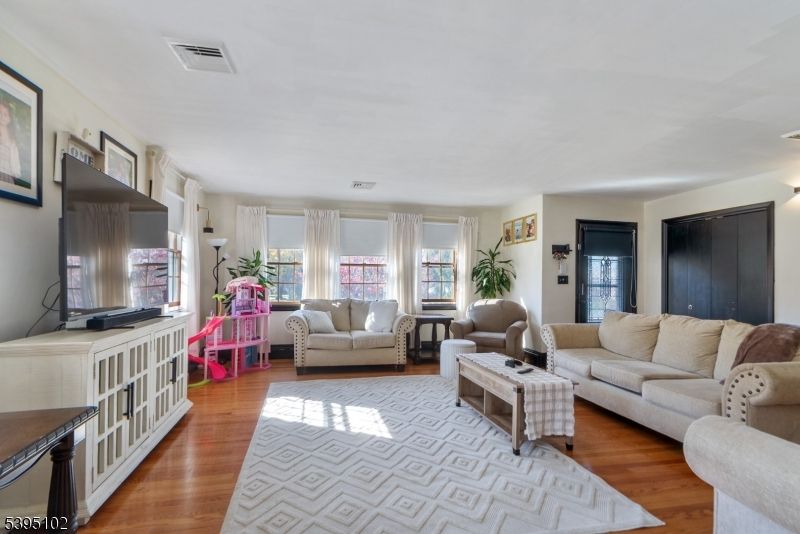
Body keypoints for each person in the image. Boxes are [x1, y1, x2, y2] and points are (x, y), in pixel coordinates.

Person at [0, 101, 22, 184]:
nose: (2, 116)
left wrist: (15, 173)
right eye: (0, 113)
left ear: (9, 118)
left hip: (8, 176)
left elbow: (16, 160)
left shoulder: (12, 140)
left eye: (5, 114)